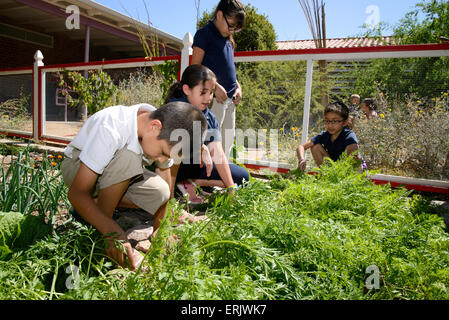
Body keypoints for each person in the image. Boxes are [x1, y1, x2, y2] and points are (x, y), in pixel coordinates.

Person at [61, 102, 207, 270]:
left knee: (160, 191)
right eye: (163, 153)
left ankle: (94, 207)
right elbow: (77, 193)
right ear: (154, 127)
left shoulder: (162, 126)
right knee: (128, 156)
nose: (161, 160)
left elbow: (166, 183)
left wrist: (160, 229)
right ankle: (99, 231)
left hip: (117, 174)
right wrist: (111, 231)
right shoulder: (112, 127)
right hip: (78, 168)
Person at [165, 64, 249, 203]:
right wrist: (201, 147)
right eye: (203, 92)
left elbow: (217, 152)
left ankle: (190, 182)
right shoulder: (174, 108)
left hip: (195, 165)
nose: (208, 98)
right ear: (187, 89)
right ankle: (171, 193)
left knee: (243, 177)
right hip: (170, 167)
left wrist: (230, 189)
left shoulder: (209, 116)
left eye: (211, 92)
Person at [191, 0, 246, 159]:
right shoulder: (204, 34)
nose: (233, 30)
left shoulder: (228, 39)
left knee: (227, 143)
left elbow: (228, 69)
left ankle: (223, 179)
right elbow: (195, 68)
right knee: (211, 143)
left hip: (230, 100)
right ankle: (207, 180)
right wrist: (214, 86)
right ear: (220, 15)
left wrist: (238, 86)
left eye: (236, 27)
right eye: (231, 25)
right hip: (213, 99)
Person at [296, 102, 359, 170]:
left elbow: (353, 158)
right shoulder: (325, 135)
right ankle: (326, 174)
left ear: (345, 122)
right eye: (327, 121)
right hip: (333, 168)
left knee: (353, 147)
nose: (330, 125)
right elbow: (301, 146)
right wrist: (301, 159)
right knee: (315, 147)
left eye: (334, 121)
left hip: (347, 170)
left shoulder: (349, 136)